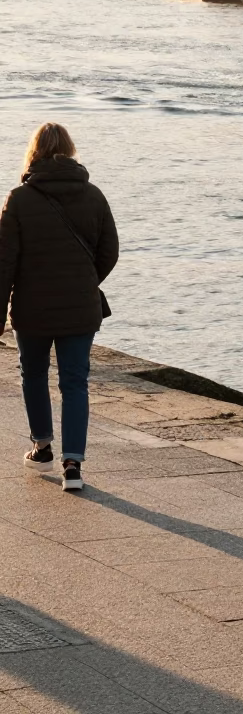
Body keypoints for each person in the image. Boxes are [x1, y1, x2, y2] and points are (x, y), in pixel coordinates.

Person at [0, 123, 118, 491]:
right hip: (80, 308)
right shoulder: (94, 195)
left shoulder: (19, 199)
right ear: (70, 150)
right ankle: (74, 466)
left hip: (31, 308)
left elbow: (4, 263)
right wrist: (83, 283)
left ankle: (42, 447)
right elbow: (109, 253)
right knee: (75, 382)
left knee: (33, 374)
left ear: (33, 152)